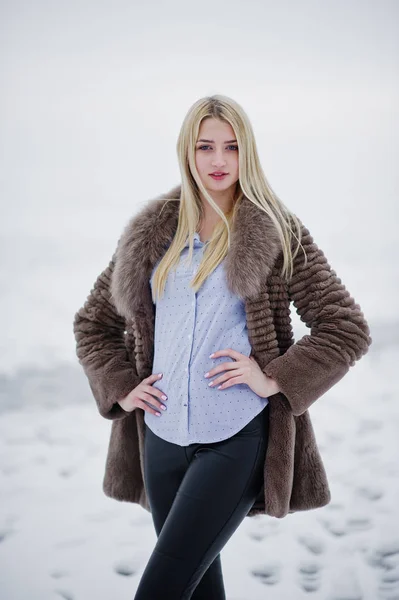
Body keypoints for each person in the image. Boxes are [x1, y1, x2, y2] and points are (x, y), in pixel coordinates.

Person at [73, 94, 372, 599]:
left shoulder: (275, 229)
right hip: (161, 440)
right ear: (187, 151)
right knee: (196, 590)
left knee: (161, 589)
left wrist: (273, 377)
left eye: (231, 148)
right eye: (205, 146)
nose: (218, 161)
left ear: (247, 153)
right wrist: (122, 388)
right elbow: (92, 324)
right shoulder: (152, 232)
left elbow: (345, 326)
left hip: (236, 437)